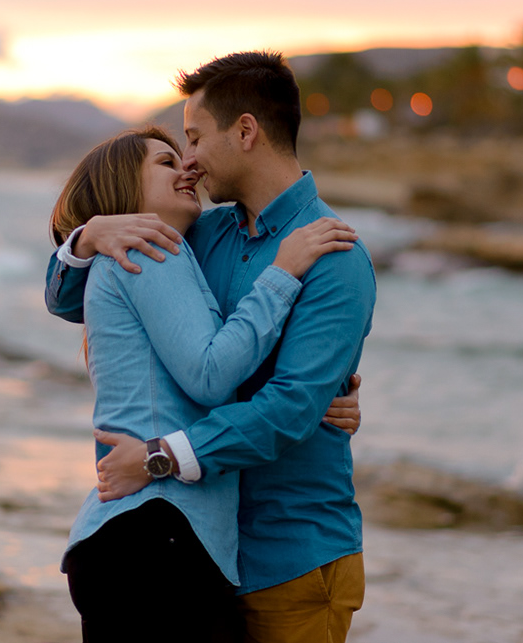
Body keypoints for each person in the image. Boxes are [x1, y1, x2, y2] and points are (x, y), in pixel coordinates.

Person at [46, 51, 376, 643]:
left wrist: (159, 455)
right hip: (197, 545)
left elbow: (292, 409)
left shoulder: (334, 256)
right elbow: (81, 300)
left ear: (245, 131)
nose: (190, 161)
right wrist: (90, 234)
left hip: (288, 553)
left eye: (194, 138)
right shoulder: (200, 233)